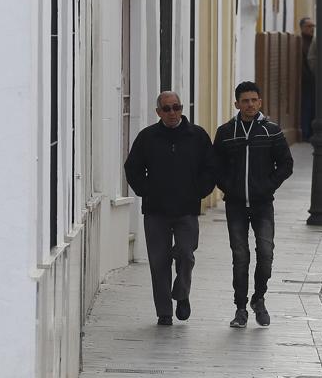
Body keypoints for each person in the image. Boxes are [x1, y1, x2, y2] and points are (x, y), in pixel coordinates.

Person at [123, 91, 215, 326]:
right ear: (158, 112)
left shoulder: (197, 136)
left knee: (186, 253)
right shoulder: (147, 137)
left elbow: (211, 167)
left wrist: (199, 191)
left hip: (187, 209)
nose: (173, 113)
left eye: (176, 107)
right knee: (159, 261)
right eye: (167, 109)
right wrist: (148, 190)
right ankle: (164, 311)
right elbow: (132, 168)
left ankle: (182, 293)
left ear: (182, 108)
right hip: (156, 211)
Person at [213, 81, 294, 329]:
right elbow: (216, 166)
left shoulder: (272, 131)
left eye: (254, 100)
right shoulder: (226, 132)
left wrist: (266, 187)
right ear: (237, 104)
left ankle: (259, 299)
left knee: (266, 253)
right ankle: (240, 308)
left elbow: (286, 165)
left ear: (260, 102)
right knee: (240, 256)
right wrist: (231, 188)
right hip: (235, 205)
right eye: (245, 101)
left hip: (262, 205)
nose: (249, 105)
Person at [298, 17, 316, 141]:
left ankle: (311, 131)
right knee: (307, 106)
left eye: (312, 26)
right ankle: (305, 132)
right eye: (308, 26)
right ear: (302, 28)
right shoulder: (300, 42)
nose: (311, 29)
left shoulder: (314, 42)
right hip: (305, 80)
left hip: (314, 80)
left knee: (314, 106)